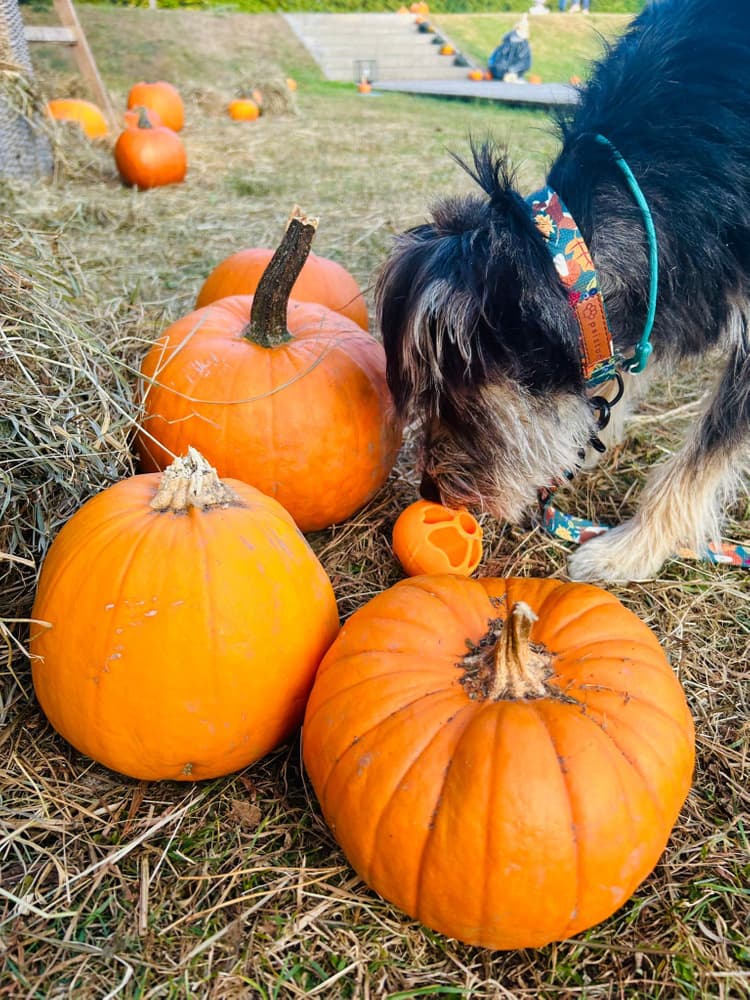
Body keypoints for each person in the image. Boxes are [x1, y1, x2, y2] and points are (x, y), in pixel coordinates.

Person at [488, 14, 532, 82]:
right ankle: (506, 74)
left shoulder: (523, 46)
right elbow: (497, 54)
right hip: (500, 68)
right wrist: (492, 65)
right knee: (499, 68)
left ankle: (511, 75)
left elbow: (525, 62)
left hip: (514, 70)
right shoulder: (507, 42)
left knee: (513, 71)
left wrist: (512, 70)